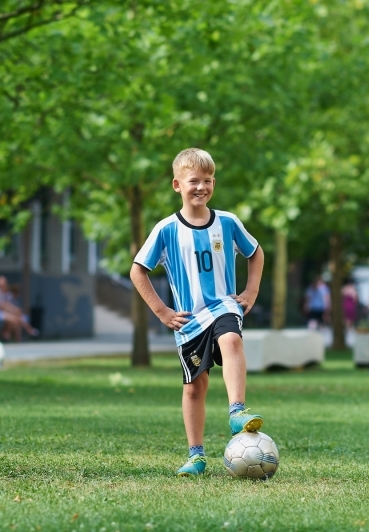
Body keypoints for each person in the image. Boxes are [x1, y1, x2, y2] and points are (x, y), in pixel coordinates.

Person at [129, 147, 265, 477]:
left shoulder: (228, 222)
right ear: (177, 185)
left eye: (208, 180)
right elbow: (137, 270)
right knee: (194, 388)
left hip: (223, 305)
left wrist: (250, 291)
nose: (201, 187)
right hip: (189, 321)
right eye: (194, 181)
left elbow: (256, 252)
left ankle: (237, 412)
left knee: (231, 339)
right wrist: (162, 311)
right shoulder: (166, 229)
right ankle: (197, 456)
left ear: (214, 183)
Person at [0, 276, 38, 342]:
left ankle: (14, 337)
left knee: (17, 317)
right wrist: (13, 310)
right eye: (3, 283)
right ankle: (5, 334)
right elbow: (0, 306)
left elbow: (6, 304)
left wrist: (14, 309)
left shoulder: (1, 292)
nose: (5, 284)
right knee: (14, 319)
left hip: (1, 312)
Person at [341, 279, 358, 346]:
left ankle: (347, 329)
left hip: (346, 304)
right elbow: (355, 298)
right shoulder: (352, 289)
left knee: (347, 319)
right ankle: (348, 329)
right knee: (349, 319)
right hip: (349, 305)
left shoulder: (344, 289)